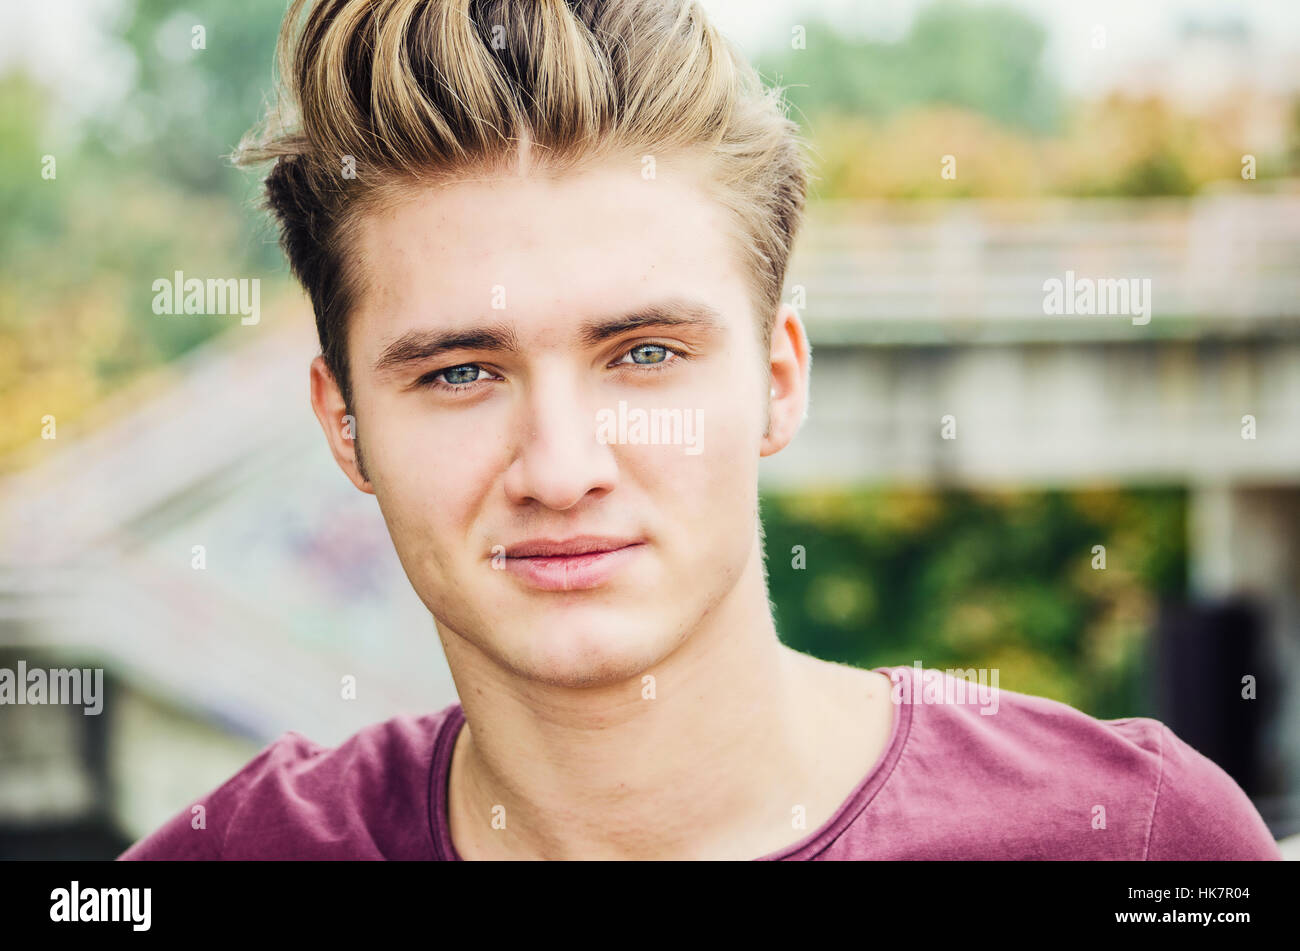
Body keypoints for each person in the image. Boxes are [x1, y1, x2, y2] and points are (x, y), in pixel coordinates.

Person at [118, 0, 1280, 861]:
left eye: (645, 356)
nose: (561, 470)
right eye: (461, 372)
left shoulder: (1134, 842)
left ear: (778, 378)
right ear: (345, 425)